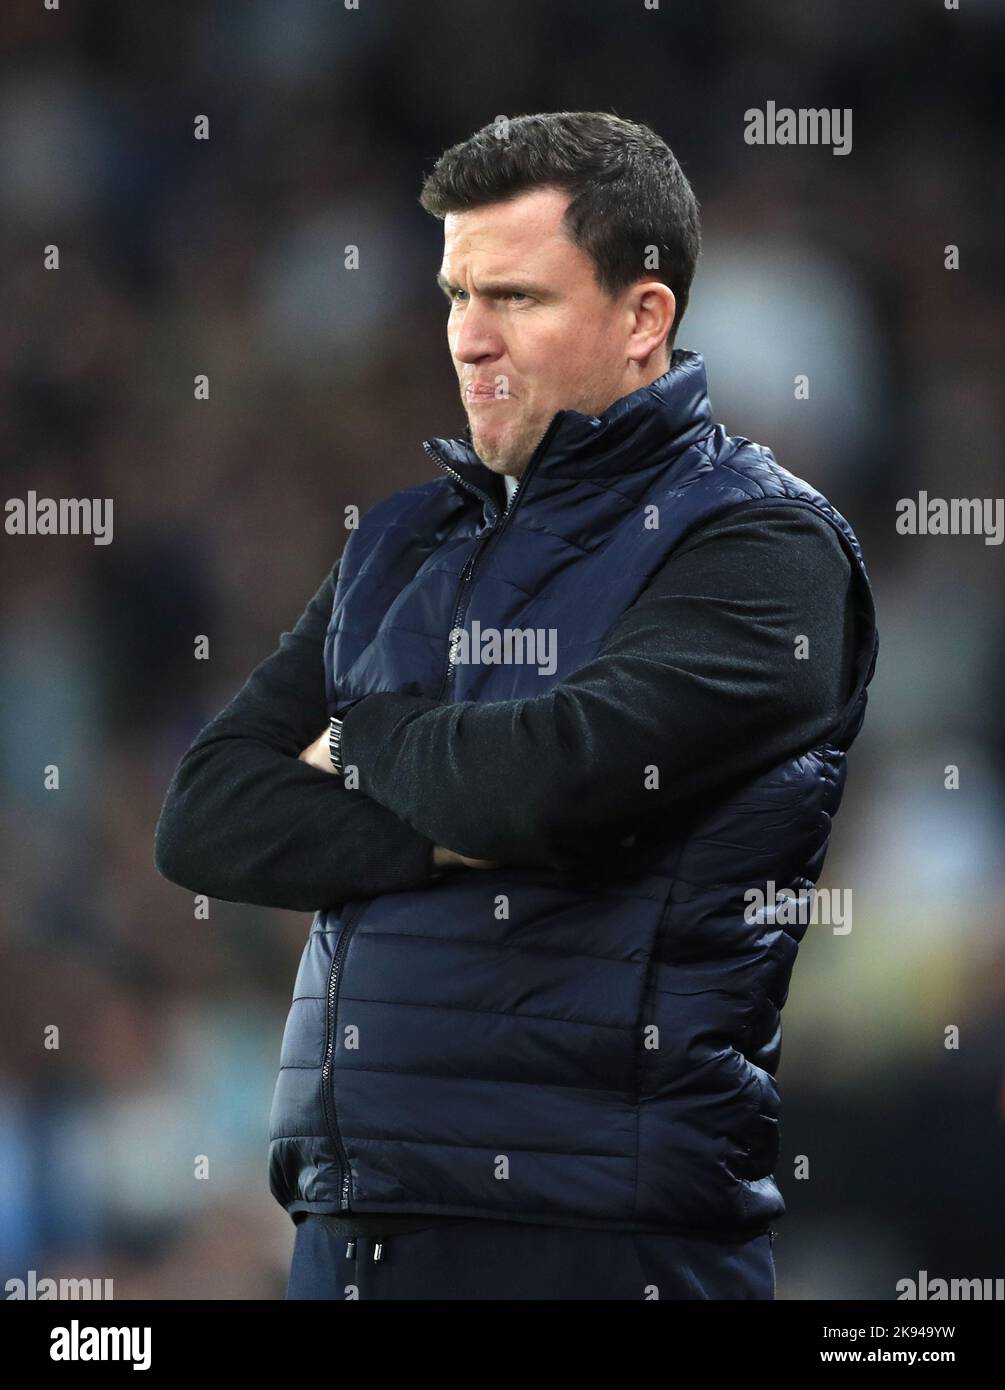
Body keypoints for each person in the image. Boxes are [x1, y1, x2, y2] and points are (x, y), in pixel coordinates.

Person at [154, 111, 878, 1300]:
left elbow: (558, 778)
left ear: (645, 317)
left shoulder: (763, 546)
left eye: (518, 299)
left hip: (596, 1236)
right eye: (455, 295)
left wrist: (364, 736)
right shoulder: (399, 542)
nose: (469, 340)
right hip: (351, 1225)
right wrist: (452, 810)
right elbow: (207, 813)